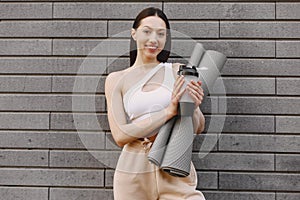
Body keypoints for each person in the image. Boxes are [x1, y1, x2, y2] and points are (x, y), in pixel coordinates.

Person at [105, 7, 206, 200]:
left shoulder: (177, 71)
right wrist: (168, 112)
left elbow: (199, 127)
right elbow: (120, 135)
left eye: (161, 34)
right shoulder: (116, 79)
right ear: (134, 33)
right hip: (133, 168)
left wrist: (192, 107)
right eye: (147, 31)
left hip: (173, 161)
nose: (154, 39)